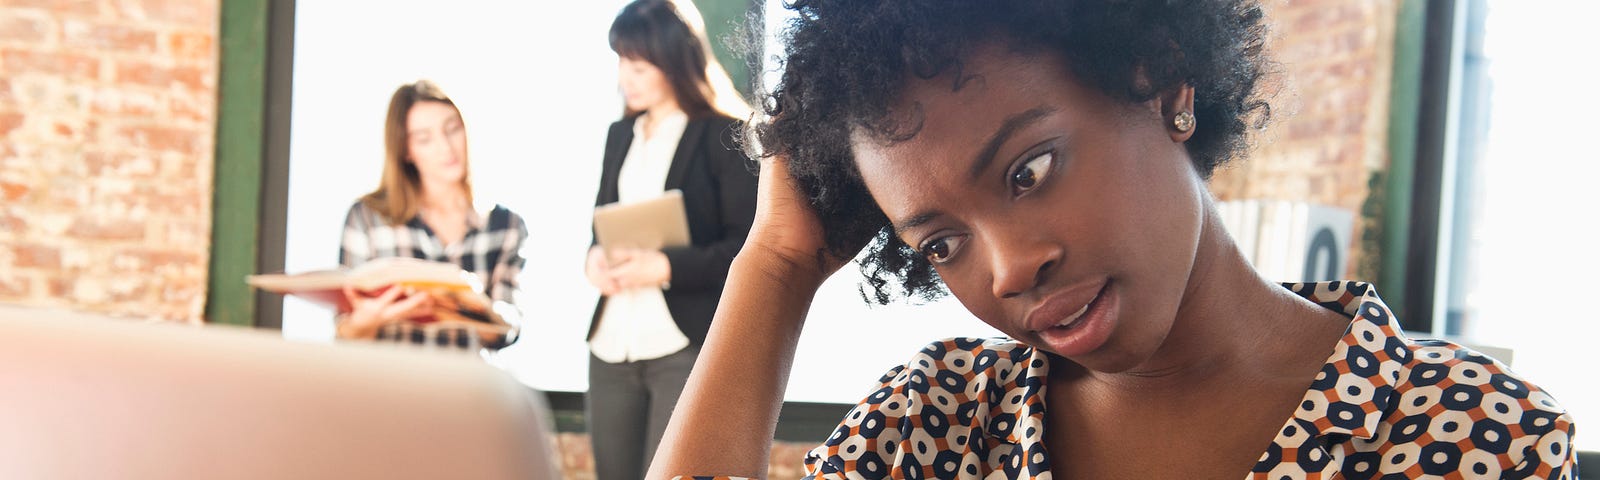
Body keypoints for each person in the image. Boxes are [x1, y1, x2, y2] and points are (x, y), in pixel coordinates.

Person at [650, 1, 1578, 479]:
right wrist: (773, 270)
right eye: (941, 244)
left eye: (1030, 171)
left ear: (1164, 81)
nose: (1009, 269)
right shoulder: (938, 425)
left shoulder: (1471, 439)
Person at [582, 1, 758, 478]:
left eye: (638, 66)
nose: (625, 78)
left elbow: (747, 250)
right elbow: (600, 225)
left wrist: (664, 267)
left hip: (682, 343)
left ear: (674, 61)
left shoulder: (726, 135)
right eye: (621, 62)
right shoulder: (621, 134)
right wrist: (594, 260)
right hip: (611, 343)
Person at [337, 80, 528, 351]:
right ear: (406, 151)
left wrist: (475, 309)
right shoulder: (368, 217)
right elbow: (346, 333)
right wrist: (369, 320)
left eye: (452, 129)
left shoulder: (506, 225)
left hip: (467, 387)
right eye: (424, 138)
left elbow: (508, 331)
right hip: (389, 384)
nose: (445, 147)